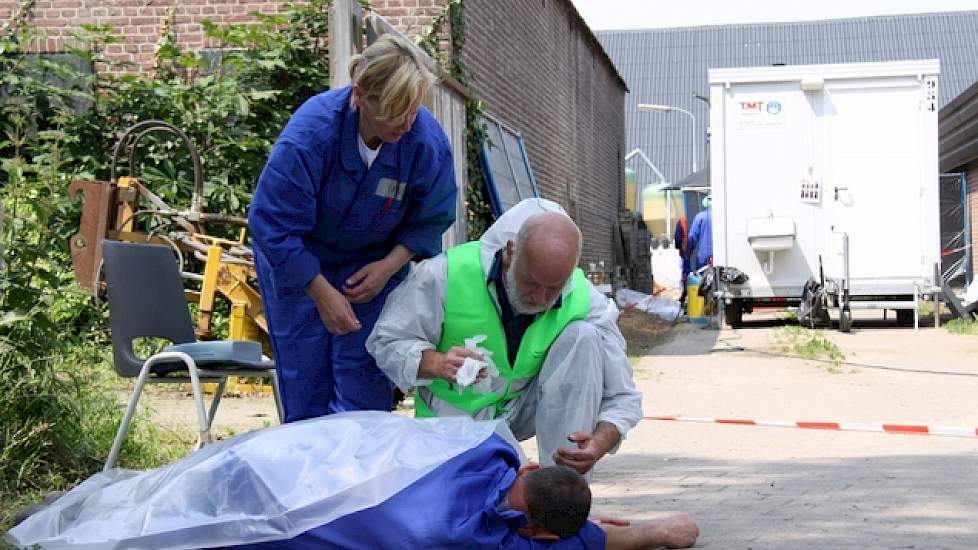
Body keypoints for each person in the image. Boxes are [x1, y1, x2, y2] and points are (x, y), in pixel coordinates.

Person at [7, 413, 698, 550]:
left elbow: (395, 432)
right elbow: (582, 545)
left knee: (156, 498)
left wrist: (649, 529)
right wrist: (659, 534)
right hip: (282, 507)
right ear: (536, 529)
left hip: (289, 460)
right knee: (157, 532)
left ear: (527, 466)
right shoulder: (459, 536)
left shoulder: (482, 446)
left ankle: (63, 514)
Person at [248, 34, 458, 422]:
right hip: (299, 262)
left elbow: (434, 212)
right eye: (394, 113)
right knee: (306, 378)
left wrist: (390, 266)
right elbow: (272, 223)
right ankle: (311, 473)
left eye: (412, 111)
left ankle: (364, 475)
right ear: (360, 96)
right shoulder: (311, 135)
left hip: (374, 266)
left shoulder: (424, 141)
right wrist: (320, 291)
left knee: (365, 372)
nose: (405, 124)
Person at [367, 198, 643, 475]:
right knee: (485, 503)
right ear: (511, 252)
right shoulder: (445, 274)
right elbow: (386, 340)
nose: (540, 298)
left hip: (524, 406)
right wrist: (436, 363)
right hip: (454, 418)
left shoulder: (584, 298)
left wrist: (597, 445)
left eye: (554, 288)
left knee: (584, 337)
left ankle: (563, 488)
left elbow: (623, 396)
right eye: (532, 282)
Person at [686, 196, 712, 273]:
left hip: (704, 258)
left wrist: (688, 254)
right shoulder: (725, 216)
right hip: (723, 257)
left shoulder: (700, 217)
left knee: (705, 281)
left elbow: (692, 238)